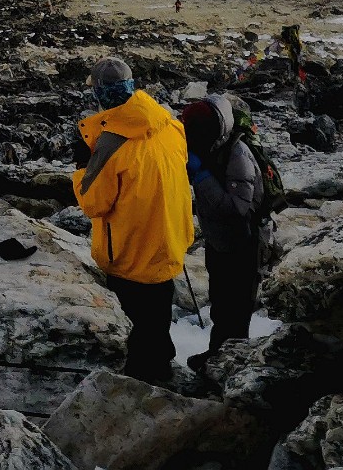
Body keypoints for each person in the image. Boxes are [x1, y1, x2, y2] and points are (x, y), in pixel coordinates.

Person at [71, 56, 194, 385]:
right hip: (168, 241)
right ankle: (163, 371)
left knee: (138, 336)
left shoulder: (111, 144)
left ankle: (146, 391)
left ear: (99, 93)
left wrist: (83, 169)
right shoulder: (168, 124)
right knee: (158, 323)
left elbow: (93, 203)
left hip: (130, 253)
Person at [180, 89, 264, 357]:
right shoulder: (210, 145)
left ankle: (233, 361)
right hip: (219, 240)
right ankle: (217, 355)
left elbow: (237, 209)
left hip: (244, 243)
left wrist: (201, 177)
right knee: (220, 304)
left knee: (235, 309)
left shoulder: (237, 154)